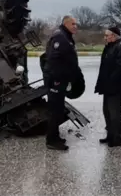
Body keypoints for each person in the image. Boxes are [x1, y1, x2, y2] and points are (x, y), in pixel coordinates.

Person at [41, 16, 80, 151]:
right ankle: (51, 140)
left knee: (57, 109)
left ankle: (55, 136)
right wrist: (57, 80)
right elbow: (53, 61)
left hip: (60, 80)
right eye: (73, 24)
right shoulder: (60, 37)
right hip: (55, 81)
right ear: (66, 24)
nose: (76, 26)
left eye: (76, 24)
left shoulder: (66, 36)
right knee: (54, 111)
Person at [95, 27, 121, 147]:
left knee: (114, 112)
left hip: (116, 87)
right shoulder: (110, 47)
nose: (105, 38)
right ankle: (110, 134)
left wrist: (111, 82)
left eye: (107, 35)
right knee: (107, 111)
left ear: (114, 36)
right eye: (105, 35)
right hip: (108, 86)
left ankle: (118, 137)